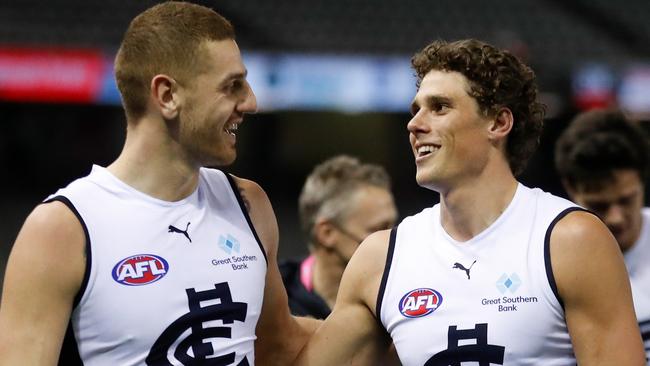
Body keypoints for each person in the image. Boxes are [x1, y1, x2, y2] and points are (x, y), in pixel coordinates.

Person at [0, 2, 317, 365]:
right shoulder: (62, 229)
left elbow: (281, 348)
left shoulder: (248, 203)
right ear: (167, 96)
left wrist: (386, 318)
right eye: (233, 86)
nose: (251, 102)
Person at [295, 39, 646, 365]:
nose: (415, 124)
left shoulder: (571, 240)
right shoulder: (380, 257)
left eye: (440, 107)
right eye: (416, 109)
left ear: (498, 121)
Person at [555, 108, 650, 362]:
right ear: (571, 188)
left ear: (642, 181)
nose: (616, 218)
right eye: (600, 205)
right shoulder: (552, 260)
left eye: (626, 200)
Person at [280, 155, 398, 319]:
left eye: (394, 228)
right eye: (379, 229)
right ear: (327, 233)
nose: (394, 241)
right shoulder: (274, 298)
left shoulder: (405, 293)